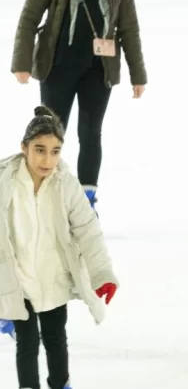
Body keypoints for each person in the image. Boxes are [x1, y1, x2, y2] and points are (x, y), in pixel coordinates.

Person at [11, 0, 147, 212]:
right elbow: (30, 16)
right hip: (57, 66)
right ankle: (42, 194)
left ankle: (86, 200)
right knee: (48, 133)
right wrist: (21, 62)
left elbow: (128, 27)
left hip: (99, 70)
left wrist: (138, 73)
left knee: (90, 132)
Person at [0, 107, 118, 389]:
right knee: (27, 345)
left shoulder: (66, 183)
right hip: (19, 279)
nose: (47, 159)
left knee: (55, 340)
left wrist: (102, 273)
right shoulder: (5, 182)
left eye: (55, 151)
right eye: (40, 150)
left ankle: (61, 385)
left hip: (53, 278)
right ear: (24, 147)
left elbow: (88, 230)